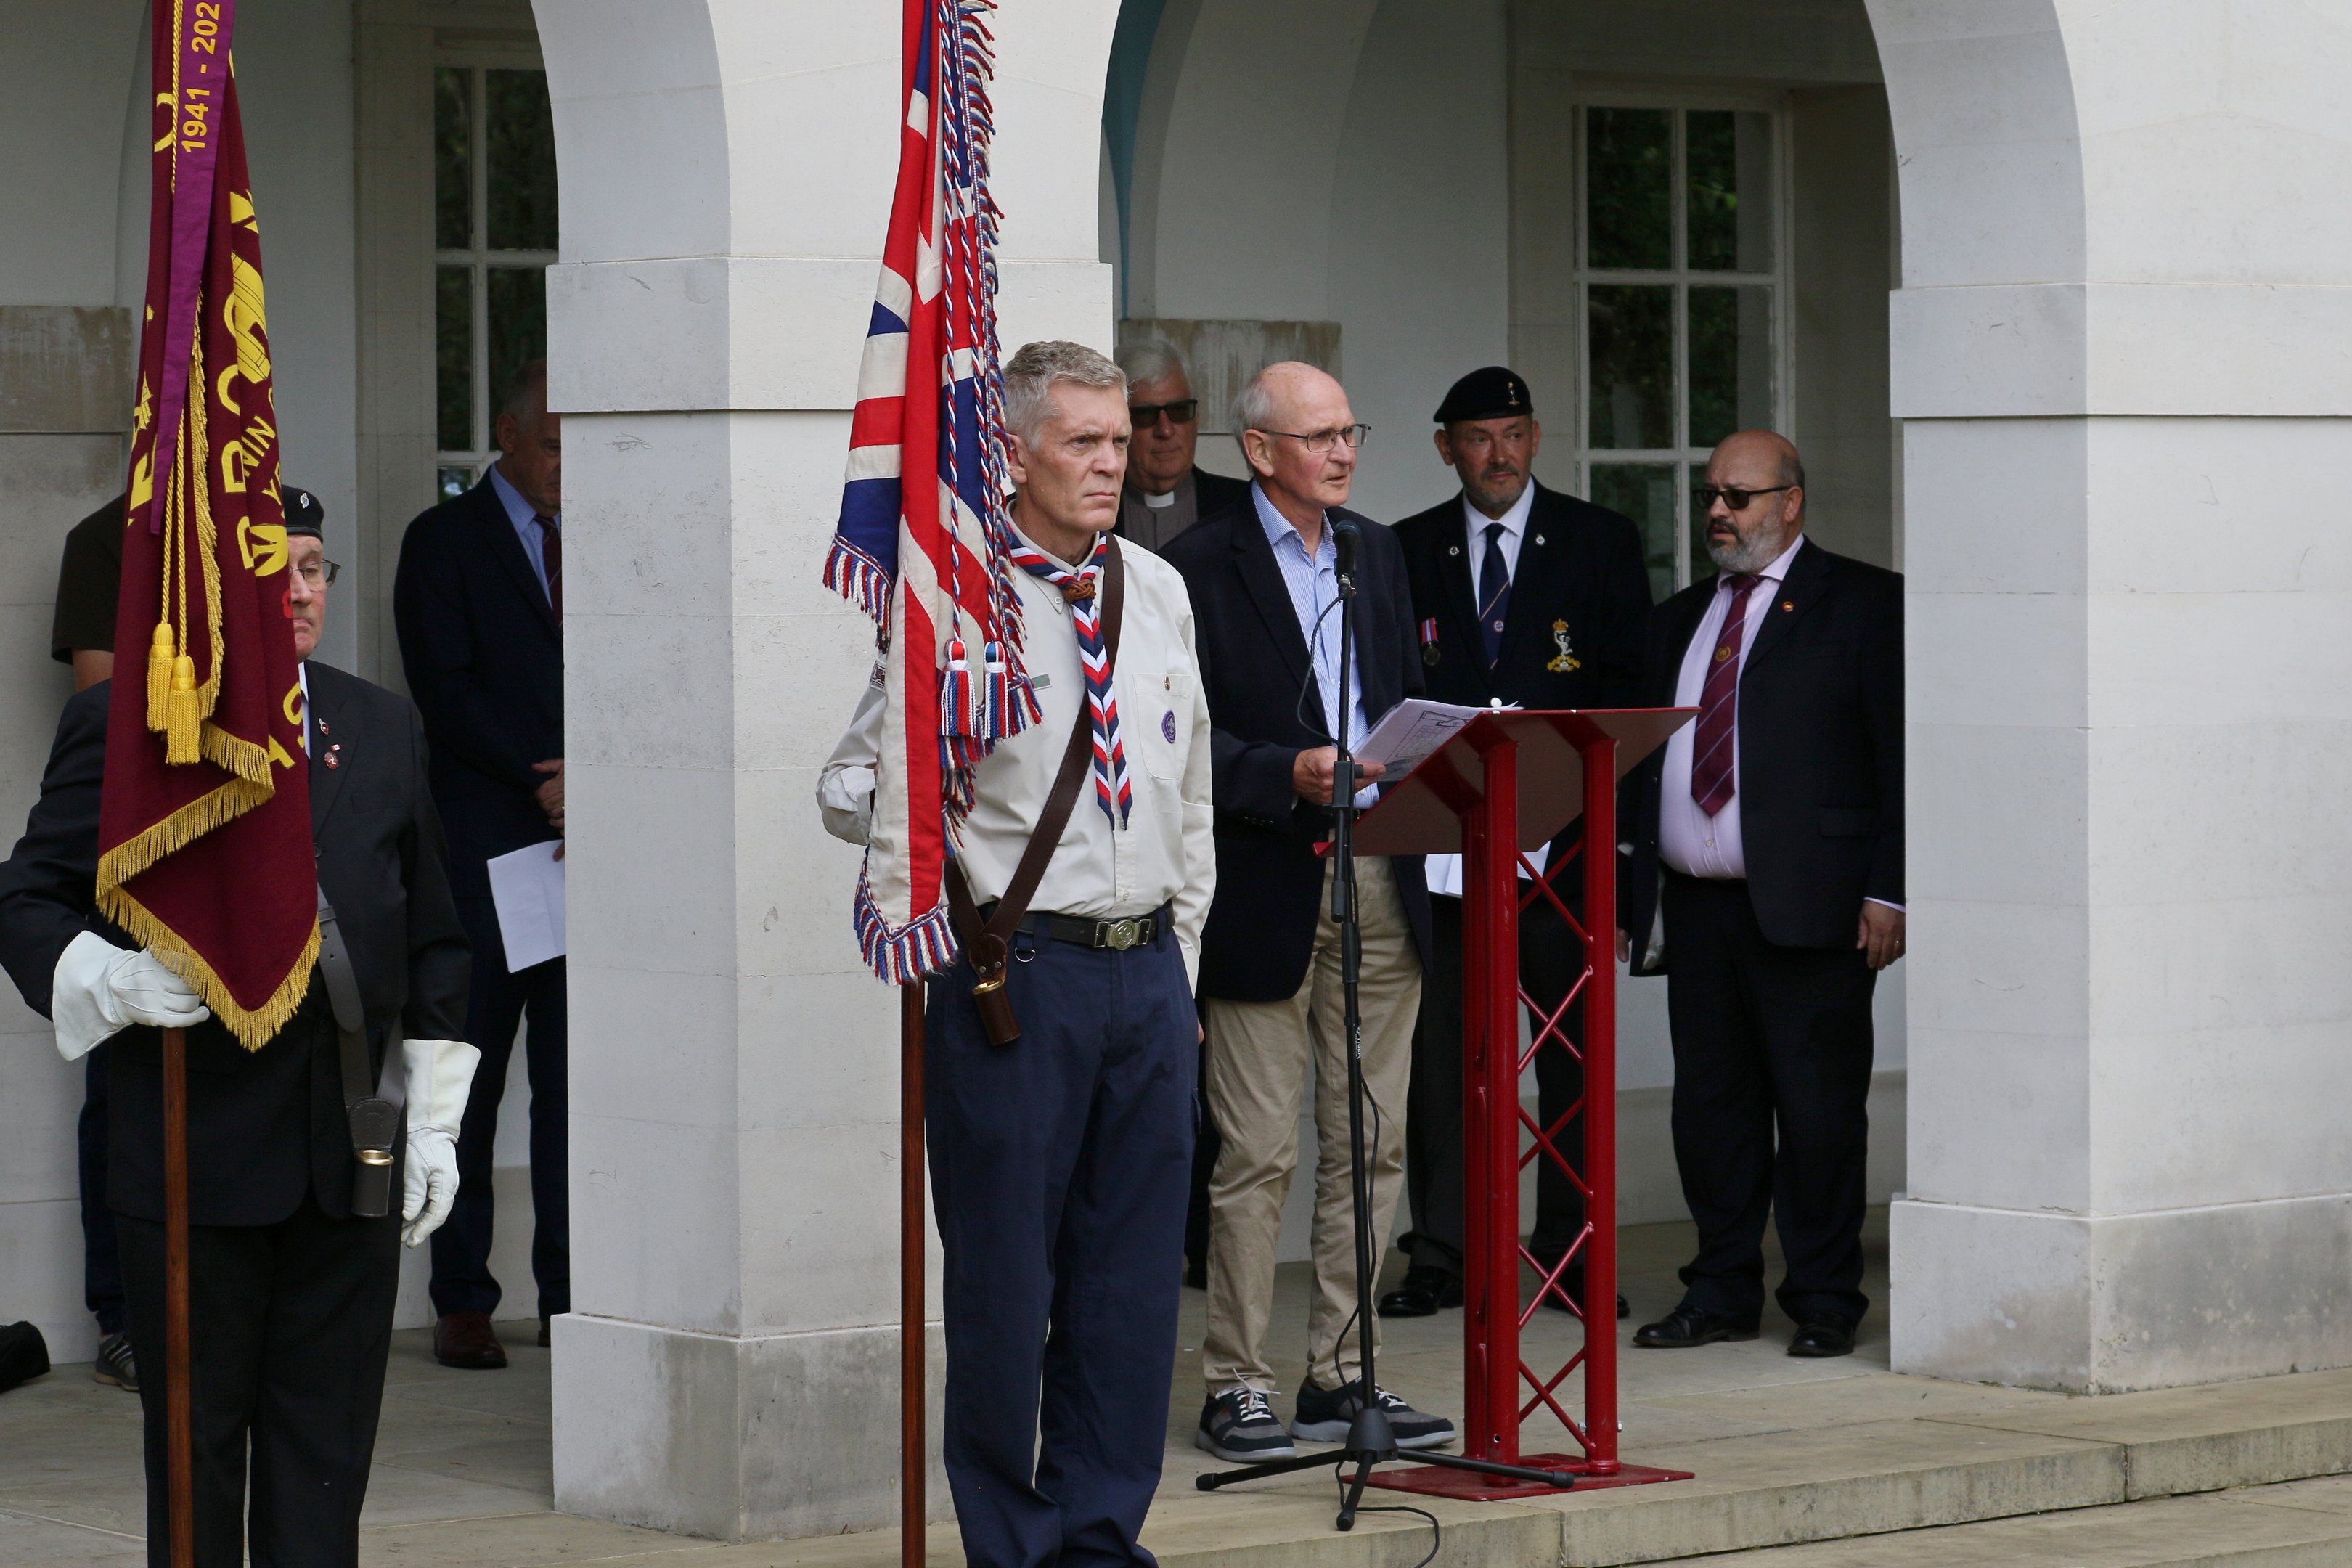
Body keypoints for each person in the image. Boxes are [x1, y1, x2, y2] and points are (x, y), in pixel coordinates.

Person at [0, 507, 478, 1565]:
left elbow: (438, 941)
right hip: (192, 1155)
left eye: (315, 570)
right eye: (275, 573)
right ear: (213, 594)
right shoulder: (127, 725)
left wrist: (434, 1121)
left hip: (349, 1150)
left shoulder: (382, 723)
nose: (302, 593)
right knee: (196, 1454)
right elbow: (26, 901)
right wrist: (109, 977)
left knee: (327, 1450)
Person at [818, 340, 1214, 1568]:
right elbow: (849, 788)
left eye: (1124, 437)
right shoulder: (954, 596)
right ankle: (1013, 1545)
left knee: (1134, 1288)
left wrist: (1179, 962)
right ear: (1016, 453)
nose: (1117, 461)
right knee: (1005, 1286)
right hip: (1017, 980)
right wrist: (916, 794)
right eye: (1085, 442)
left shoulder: (1155, 588)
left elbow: (1186, 792)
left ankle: (1100, 1537)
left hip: (1144, 971)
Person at [1162, 362, 1453, 1463]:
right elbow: (1180, 741)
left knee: (1371, 1144)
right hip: (1261, 887)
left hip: (1378, 873)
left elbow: (1392, 697)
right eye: (1321, 435)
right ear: (1260, 450)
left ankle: (1340, 1372)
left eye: (1351, 432)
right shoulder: (1191, 566)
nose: (1342, 452)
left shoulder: (1376, 552)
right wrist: (1284, 771)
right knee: (1256, 1155)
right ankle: (1236, 1383)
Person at [1619, 429, 1903, 1359]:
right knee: (1712, 1113)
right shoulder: (1679, 619)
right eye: (1712, 494)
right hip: (1699, 909)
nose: (1718, 512)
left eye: (1739, 497)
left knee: (1818, 1113)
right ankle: (1720, 1289)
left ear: (1792, 502)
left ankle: (1824, 1298)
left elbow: (1901, 762)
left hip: (1814, 908)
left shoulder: (1862, 604)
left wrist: (1890, 891)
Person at [46, 486, 326, 1396]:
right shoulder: (110, 541)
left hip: (264, 828)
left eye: (313, 570)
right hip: (155, 838)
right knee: (125, 1096)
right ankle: (124, 1312)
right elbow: (112, 699)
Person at [1387, 367, 1652, 1322]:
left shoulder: (1599, 542)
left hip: (1563, 854)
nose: (1494, 456)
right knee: (1444, 1058)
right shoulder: (1405, 549)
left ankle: (1571, 1256)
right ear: (1445, 447)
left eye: (1509, 435)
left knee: (1569, 1057)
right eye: (1475, 438)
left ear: (1535, 439)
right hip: (1444, 855)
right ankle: (1443, 1255)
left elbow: (1629, 710)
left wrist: (1623, 862)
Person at [393, 359, 568, 1369]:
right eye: (550, 442)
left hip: (587, 844)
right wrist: (539, 775)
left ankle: (567, 1291)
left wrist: (588, 779)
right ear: (507, 433)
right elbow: (443, 688)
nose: (564, 464)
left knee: (574, 1086)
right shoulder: (444, 541)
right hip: (488, 851)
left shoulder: (608, 530)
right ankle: (462, 1293)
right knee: (474, 1071)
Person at [1114, 339, 1251, 552]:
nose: (1165, 430)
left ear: (1196, 419)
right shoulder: (1093, 512)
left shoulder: (1244, 506)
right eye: (1145, 415)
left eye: (1179, 411)